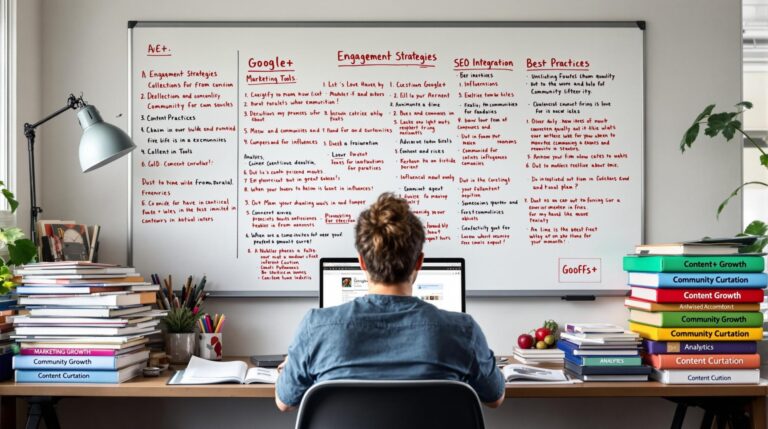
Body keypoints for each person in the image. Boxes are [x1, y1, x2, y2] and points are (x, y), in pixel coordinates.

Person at [275, 192, 504, 411]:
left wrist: (290, 368)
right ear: (419, 262)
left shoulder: (315, 328)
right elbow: (495, 397)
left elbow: (284, 402)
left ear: (362, 263)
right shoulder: (463, 331)